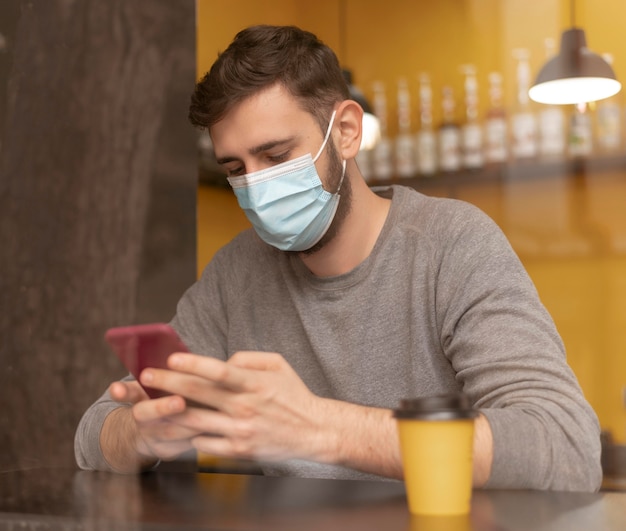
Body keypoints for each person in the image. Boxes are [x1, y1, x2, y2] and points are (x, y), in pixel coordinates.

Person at [75, 24, 601, 491]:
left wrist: (320, 427)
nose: (256, 186)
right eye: (236, 167)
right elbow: (93, 434)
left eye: (277, 156)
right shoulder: (236, 273)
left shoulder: (452, 244)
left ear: (346, 131)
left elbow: (566, 447)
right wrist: (142, 434)